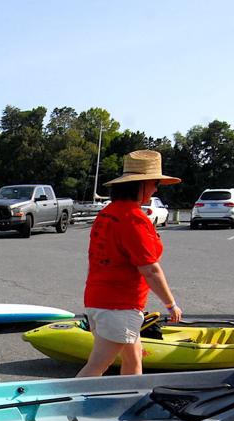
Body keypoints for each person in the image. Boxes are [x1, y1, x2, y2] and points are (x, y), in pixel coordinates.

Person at [78, 150, 182, 377]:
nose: (156, 189)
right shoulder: (133, 218)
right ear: (142, 185)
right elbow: (150, 269)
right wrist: (170, 304)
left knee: (134, 359)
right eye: (155, 183)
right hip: (119, 306)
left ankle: (131, 404)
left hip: (99, 300)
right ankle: (63, 407)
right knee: (97, 365)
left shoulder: (107, 213)